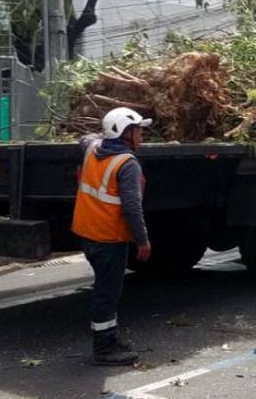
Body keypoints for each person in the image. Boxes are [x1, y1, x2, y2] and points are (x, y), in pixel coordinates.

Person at [71, 107, 152, 366]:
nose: (141, 135)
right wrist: (142, 239)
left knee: (108, 290)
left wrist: (102, 134)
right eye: (138, 130)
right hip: (109, 237)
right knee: (107, 293)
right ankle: (104, 349)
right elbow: (131, 206)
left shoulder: (93, 149)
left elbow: (85, 139)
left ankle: (110, 337)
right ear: (126, 134)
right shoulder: (126, 164)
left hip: (87, 232)